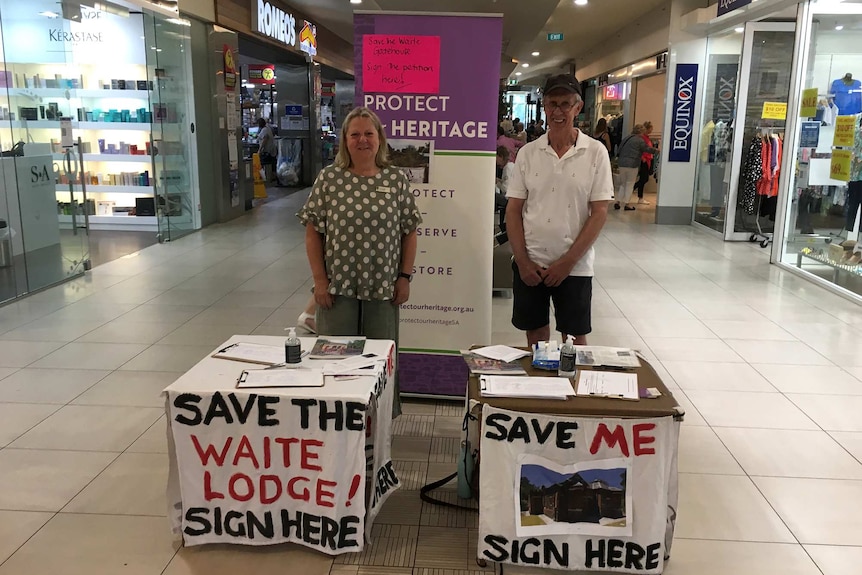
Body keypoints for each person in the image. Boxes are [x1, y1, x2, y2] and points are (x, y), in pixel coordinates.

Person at [297, 106, 422, 416]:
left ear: (379, 139)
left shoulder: (395, 179)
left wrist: (404, 277)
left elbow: (410, 231)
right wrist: (319, 283)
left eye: (369, 133)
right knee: (335, 359)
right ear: (345, 140)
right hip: (337, 288)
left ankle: (378, 422)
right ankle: (336, 417)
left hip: (384, 288)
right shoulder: (329, 178)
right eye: (355, 134)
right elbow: (313, 234)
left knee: (380, 359)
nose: (362, 140)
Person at [505, 74, 613, 347]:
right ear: (544, 106)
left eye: (565, 104)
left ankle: (573, 388)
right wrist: (523, 261)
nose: (558, 111)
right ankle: (540, 389)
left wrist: (566, 264)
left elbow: (599, 213)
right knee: (536, 337)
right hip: (531, 264)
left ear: (578, 108)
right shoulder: (528, 153)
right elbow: (513, 211)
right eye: (552, 103)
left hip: (574, 267)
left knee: (574, 341)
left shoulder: (595, 152)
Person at [615, 124, 658, 211]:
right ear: (641, 132)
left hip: (622, 163)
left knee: (623, 184)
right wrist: (656, 150)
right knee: (630, 183)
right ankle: (627, 204)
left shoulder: (626, 138)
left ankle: (618, 202)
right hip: (632, 164)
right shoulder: (639, 140)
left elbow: (619, 149)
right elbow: (647, 149)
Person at [634, 121, 655, 205]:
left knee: (644, 178)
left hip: (648, 160)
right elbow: (642, 149)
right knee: (644, 178)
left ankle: (639, 195)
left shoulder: (646, 138)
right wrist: (643, 158)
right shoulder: (643, 139)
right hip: (644, 160)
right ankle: (638, 194)